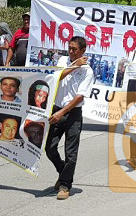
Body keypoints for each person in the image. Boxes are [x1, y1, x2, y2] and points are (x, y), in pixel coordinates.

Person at [47, 36, 93, 200]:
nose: (71, 51)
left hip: (73, 113)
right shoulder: (63, 60)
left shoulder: (88, 71)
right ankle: (63, 173)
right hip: (57, 110)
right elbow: (56, 77)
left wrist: (63, 112)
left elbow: (79, 97)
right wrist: (74, 66)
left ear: (83, 51)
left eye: (75, 49)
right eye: (70, 48)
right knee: (49, 148)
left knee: (70, 152)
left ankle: (65, 185)